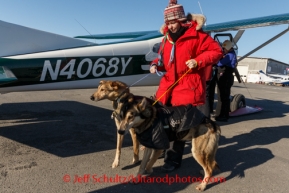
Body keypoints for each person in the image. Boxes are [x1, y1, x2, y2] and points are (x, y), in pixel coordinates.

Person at [149, 0, 223, 172]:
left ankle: (173, 160)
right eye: (167, 23)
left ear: (182, 21)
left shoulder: (198, 36)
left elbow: (216, 51)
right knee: (161, 122)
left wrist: (198, 61)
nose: (170, 26)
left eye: (173, 22)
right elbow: (162, 60)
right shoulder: (166, 39)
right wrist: (155, 65)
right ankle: (161, 149)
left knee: (177, 126)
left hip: (187, 87)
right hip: (167, 87)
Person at [215, 40, 237, 122]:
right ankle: (220, 114)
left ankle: (224, 115)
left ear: (229, 48)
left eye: (224, 49)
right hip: (225, 76)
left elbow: (219, 63)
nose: (224, 50)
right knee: (221, 96)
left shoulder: (230, 55)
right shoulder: (229, 54)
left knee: (224, 97)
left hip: (226, 77)